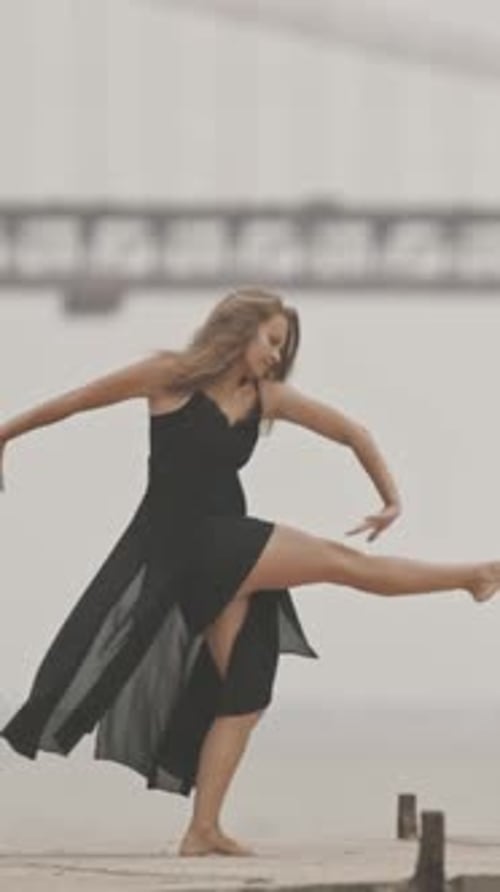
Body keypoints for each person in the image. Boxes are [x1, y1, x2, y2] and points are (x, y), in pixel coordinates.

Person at [1, 286, 499, 859]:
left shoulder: (267, 398)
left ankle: (203, 829)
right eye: (271, 341)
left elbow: (352, 433)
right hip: (189, 546)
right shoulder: (168, 376)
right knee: (345, 564)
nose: (275, 356)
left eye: (282, 347)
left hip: (221, 551)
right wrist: (6, 432)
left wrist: (390, 500)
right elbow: (76, 401)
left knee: (246, 690)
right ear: (237, 330)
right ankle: (473, 576)